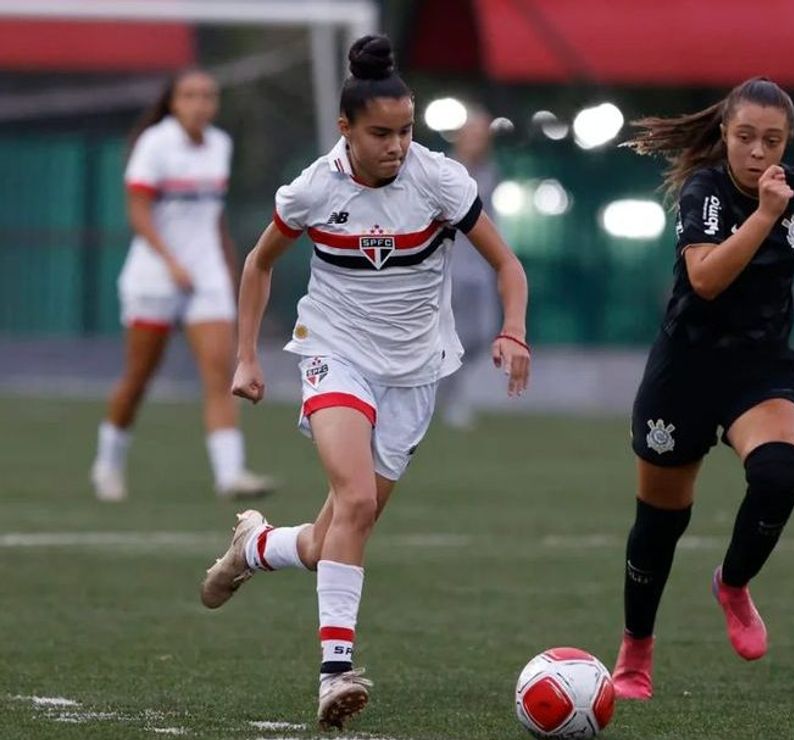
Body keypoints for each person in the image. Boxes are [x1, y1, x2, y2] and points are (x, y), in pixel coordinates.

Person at [198, 35, 530, 730]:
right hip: (335, 354)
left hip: (415, 374)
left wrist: (513, 329)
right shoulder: (314, 188)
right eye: (381, 133)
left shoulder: (439, 180)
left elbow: (508, 267)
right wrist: (248, 357)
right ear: (345, 129)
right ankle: (335, 671)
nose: (397, 146)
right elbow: (258, 265)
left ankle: (254, 547)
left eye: (406, 131)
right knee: (352, 500)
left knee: (337, 533)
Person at [610, 77, 794, 700]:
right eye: (745, 137)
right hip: (686, 372)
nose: (757, 152)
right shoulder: (708, 193)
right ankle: (636, 650)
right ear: (724, 133)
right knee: (659, 524)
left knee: (780, 476)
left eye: (771, 141)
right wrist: (765, 216)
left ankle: (733, 583)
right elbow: (705, 280)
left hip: (760, 369)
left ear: (787, 142)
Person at [90, 69, 274, 502]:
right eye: (190, 95)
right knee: (139, 376)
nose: (200, 104)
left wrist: (229, 270)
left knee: (219, 374)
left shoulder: (219, 145)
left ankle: (231, 474)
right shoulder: (155, 144)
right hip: (155, 276)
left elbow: (212, 218)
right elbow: (138, 212)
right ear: (173, 102)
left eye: (208, 95)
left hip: (205, 276)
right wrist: (171, 262)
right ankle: (108, 463)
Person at [440, 107, 502, 428]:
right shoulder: (446, 171)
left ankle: (444, 386)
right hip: (449, 268)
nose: (478, 140)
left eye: (483, 134)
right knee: (445, 335)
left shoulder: (490, 172)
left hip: (481, 269)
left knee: (480, 335)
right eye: (473, 133)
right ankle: (451, 399)